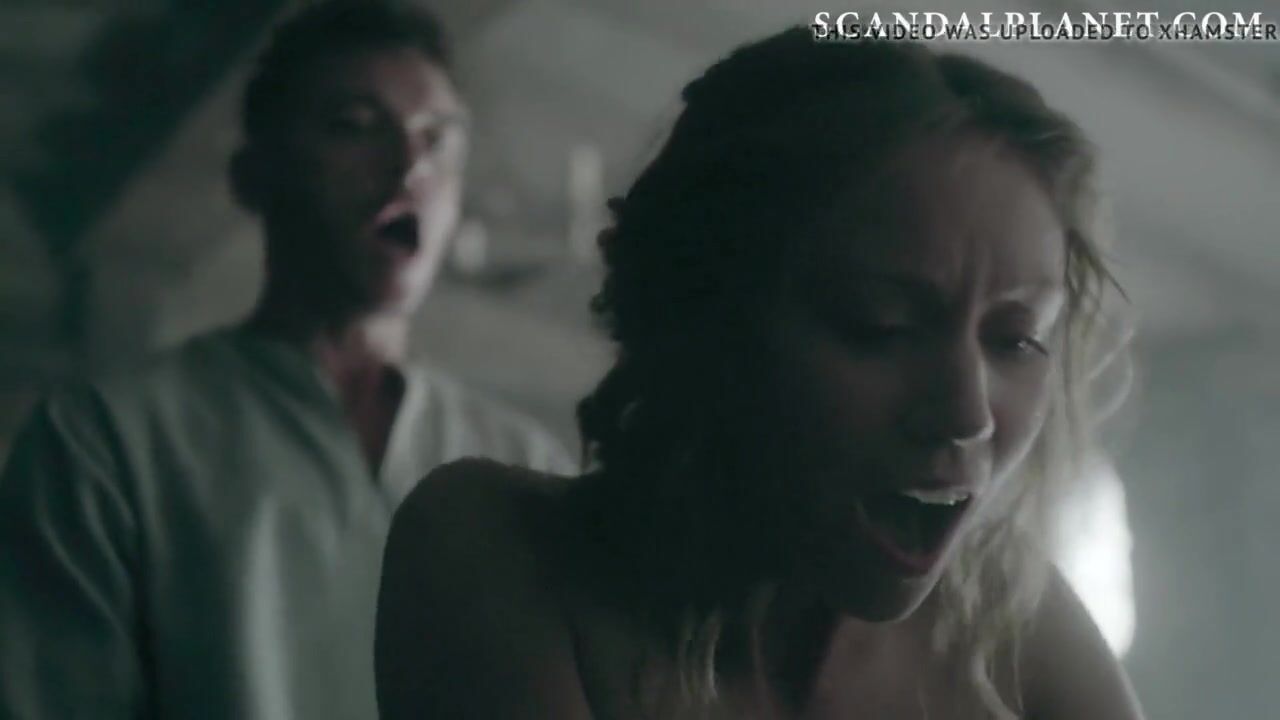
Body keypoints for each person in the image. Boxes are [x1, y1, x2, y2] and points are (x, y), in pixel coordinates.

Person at [375, 27, 1146, 720]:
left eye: (1018, 340)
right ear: (708, 317)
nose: (966, 412)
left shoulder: (1014, 625)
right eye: (880, 326)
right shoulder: (501, 554)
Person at [0, 2, 575, 718]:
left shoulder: (526, 468)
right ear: (255, 176)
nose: (410, 167)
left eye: (438, 139)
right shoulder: (107, 442)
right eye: (354, 126)